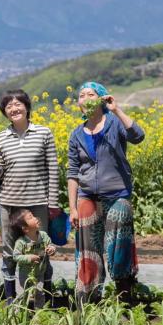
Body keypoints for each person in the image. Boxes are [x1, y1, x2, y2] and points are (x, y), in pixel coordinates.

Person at [0, 89, 61, 303]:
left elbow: (53, 169)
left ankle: (44, 300)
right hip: (9, 203)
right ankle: (11, 300)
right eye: (8, 106)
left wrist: (53, 203)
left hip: (37, 203)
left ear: (27, 107)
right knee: (9, 252)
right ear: (5, 112)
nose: (14, 108)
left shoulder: (43, 133)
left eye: (18, 104)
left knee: (41, 249)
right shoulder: (2, 137)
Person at [67, 81, 145, 306]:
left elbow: (138, 136)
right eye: (81, 95)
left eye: (91, 94)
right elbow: (73, 172)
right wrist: (72, 207)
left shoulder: (114, 123)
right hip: (87, 197)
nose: (85, 98)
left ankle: (125, 299)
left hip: (117, 195)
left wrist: (117, 110)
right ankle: (88, 302)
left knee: (119, 246)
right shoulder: (76, 134)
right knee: (87, 251)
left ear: (102, 99)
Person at [11, 209, 57, 308]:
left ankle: (39, 316)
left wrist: (51, 249)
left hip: (39, 273)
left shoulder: (43, 236)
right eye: (30, 217)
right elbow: (15, 256)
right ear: (25, 228)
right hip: (23, 275)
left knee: (40, 294)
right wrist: (28, 257)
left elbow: (51, 245)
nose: (35, 218)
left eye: (33, 215)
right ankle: (18, 316)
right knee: (21, 296)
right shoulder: (21, 242)